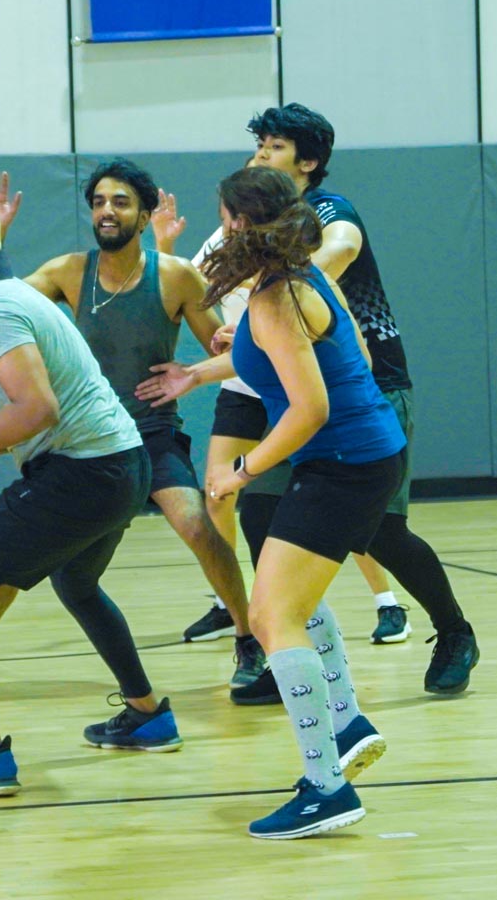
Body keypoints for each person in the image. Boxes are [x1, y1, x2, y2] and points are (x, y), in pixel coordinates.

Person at [154, 103, 479, 696]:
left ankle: (453, 630)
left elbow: (339, 252)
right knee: (264, 518)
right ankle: (286, 655)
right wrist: (206, 364)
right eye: (260, 145)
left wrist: (278, 285)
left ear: (308, 162)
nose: (260, 154)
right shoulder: (252, 244)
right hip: (271, 387)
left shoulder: (322, 225)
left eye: (275, 147)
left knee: (379, 532)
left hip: (363, 393)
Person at [0, 196, 179, 797]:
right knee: (78, 583)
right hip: (124, 463)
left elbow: (37, 408)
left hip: (84, 473)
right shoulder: (17, 294)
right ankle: (148, 715)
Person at [163, 166, 403, 838]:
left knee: (272, 618)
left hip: (345, 463)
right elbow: (340, 351)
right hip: (359, 454)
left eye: (223, 220)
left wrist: (241, 469)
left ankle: (327, 787)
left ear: (241, 224)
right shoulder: (296, 279)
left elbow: (311, 407)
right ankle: (348, 719)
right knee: (285, 591)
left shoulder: (274, 299)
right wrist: (215, 360)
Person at [0, 161, 262, 689]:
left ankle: (247, 637)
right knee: (29, 541)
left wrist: (198, 366)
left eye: (120, 201)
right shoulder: (66, 272)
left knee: (198, 525)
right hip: (86, 441)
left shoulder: (175, 277)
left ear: (143, 215)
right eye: (99, 201)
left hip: (152, 434)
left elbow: (230, 351)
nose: (106, 210)